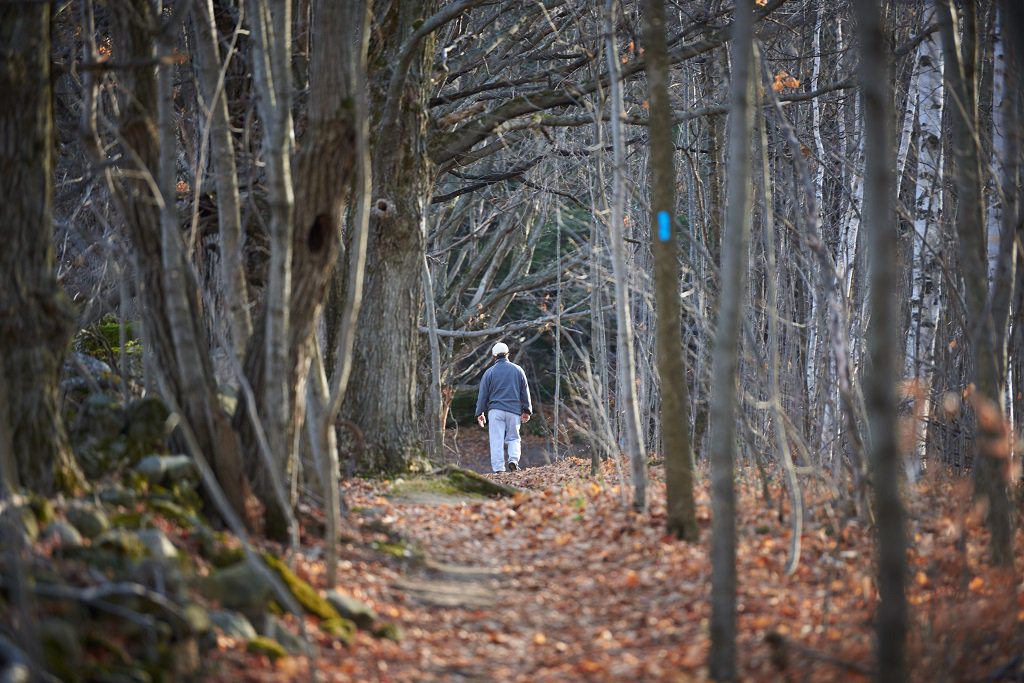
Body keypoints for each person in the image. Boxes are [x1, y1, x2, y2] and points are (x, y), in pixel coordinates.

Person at [475, 342, 533, 473]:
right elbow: (525, 391)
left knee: (496, 440)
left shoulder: (489, 373)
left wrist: (480, 412)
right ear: (508, 354)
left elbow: (483, 395)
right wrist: (527, 410)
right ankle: (513, 461)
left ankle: (499, 470)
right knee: (513, 437)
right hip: (513, 410)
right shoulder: (518, 370)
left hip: (495, 411)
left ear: (493, 356)